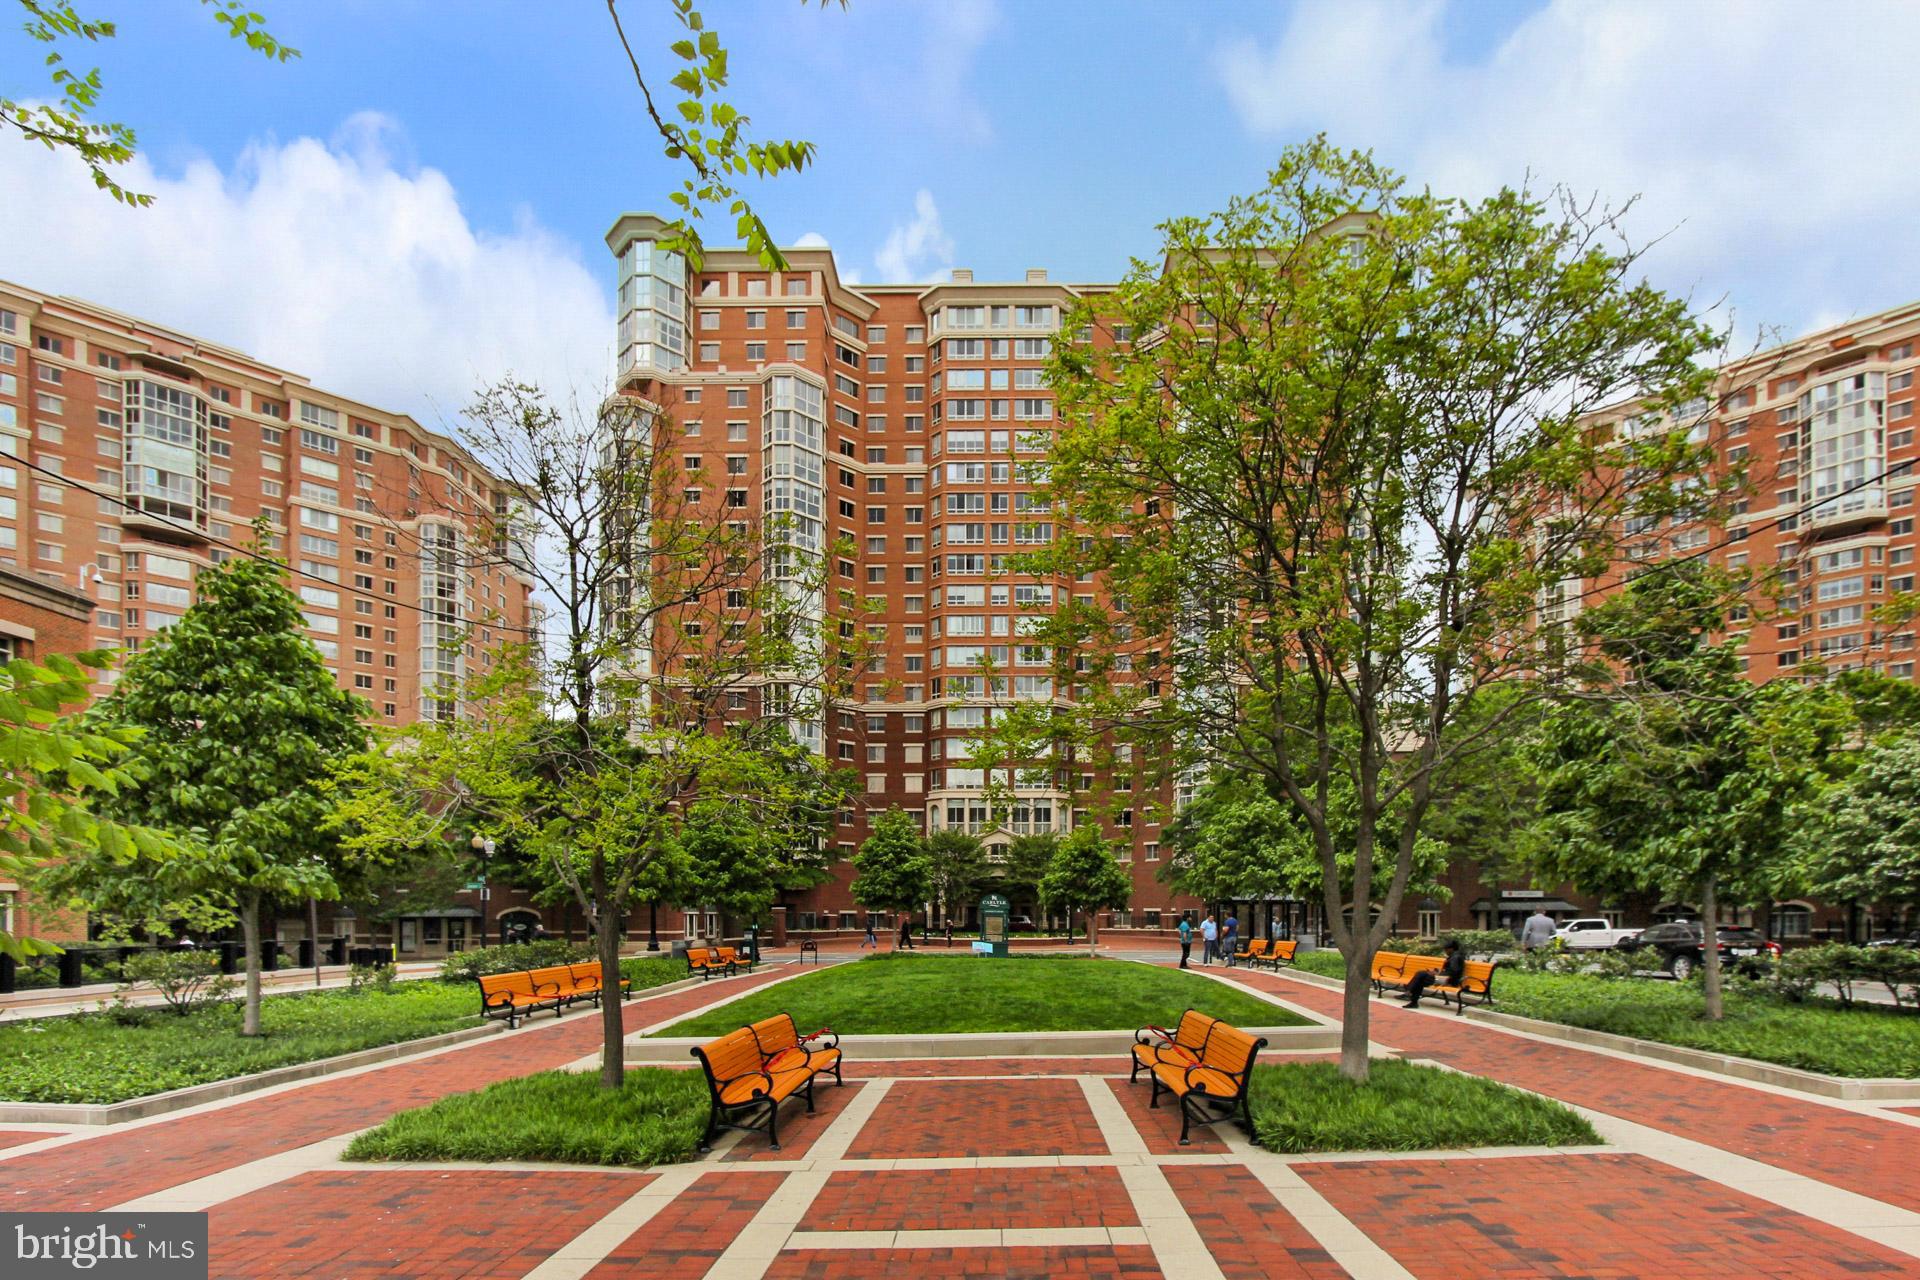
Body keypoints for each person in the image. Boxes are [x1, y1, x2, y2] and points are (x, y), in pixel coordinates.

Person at [1402, 939, 1465, 1008]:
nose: (1445, 951)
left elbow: (1454, 972)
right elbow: (1449, 970)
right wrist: (1436, 972)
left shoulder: (1455, 957)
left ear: (1451, 949)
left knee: (1420, 975)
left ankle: (1409, 992)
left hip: (1449, 981)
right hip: (1443, 978)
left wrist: (1438, 975)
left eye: (1446, 950)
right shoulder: (1454, 956)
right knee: (1420, 977)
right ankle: (1411, 997)